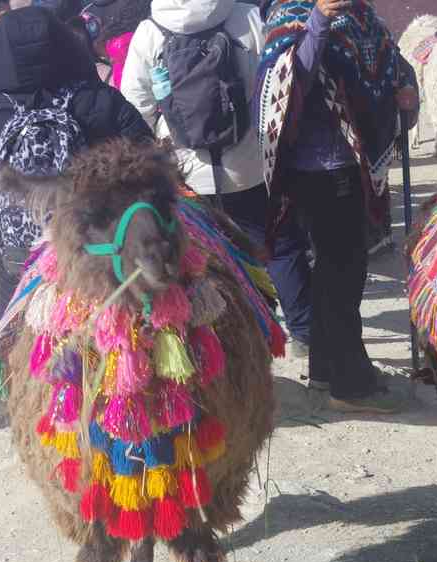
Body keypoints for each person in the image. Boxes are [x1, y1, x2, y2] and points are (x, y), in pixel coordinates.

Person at [121, 0, 313, 355]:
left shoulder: (150, 32)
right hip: (251, 163)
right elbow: (272, 82)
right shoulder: (244, 16)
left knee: (207, 260)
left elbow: (135, 103)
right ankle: (304, 334)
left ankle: (234, 343)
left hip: (189, 170)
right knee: (281, 246)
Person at [256, 0, 419, 413]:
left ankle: (327, 371)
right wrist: (319, 23)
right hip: (317, 167)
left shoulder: (364, 18)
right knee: (341, 274)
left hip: (354, 164)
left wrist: (406, 93)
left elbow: (393, 67)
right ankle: (351, 384)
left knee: (337, 271)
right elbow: (289, 82)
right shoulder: (290, 16)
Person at [0, 6, 152, 319]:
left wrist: (1, 217)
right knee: (111, 343)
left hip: (19, 266)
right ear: (63, 44)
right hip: (103, 256)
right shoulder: (99, 101)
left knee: (24, 351)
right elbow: (149, 162)